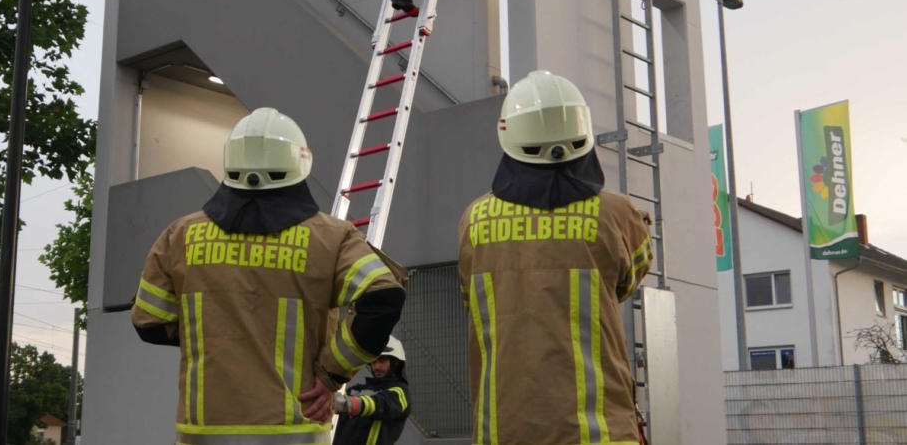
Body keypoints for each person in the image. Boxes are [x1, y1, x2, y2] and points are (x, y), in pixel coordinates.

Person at [131, 107, 408, 445]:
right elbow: (383, 298)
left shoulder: (180, 235)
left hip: (203, 427)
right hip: (296, 425)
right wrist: (330, 374)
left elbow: (150, 323)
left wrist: (220, 333)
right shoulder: (333, 237)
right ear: (300, 163)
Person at [457, 71, 653, 444]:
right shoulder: (617, 214)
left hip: (502, 433)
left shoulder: (473, 220)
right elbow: (625, 283)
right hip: (598, 435)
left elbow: (472, 298)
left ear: (508, 136)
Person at [332, 336, 411, 445]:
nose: (377, 366)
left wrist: (350, 404)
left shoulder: (400, 392)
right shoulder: (356, 391)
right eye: (373, 362)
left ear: (395, 362)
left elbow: (380, 404)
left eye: (382, 360)